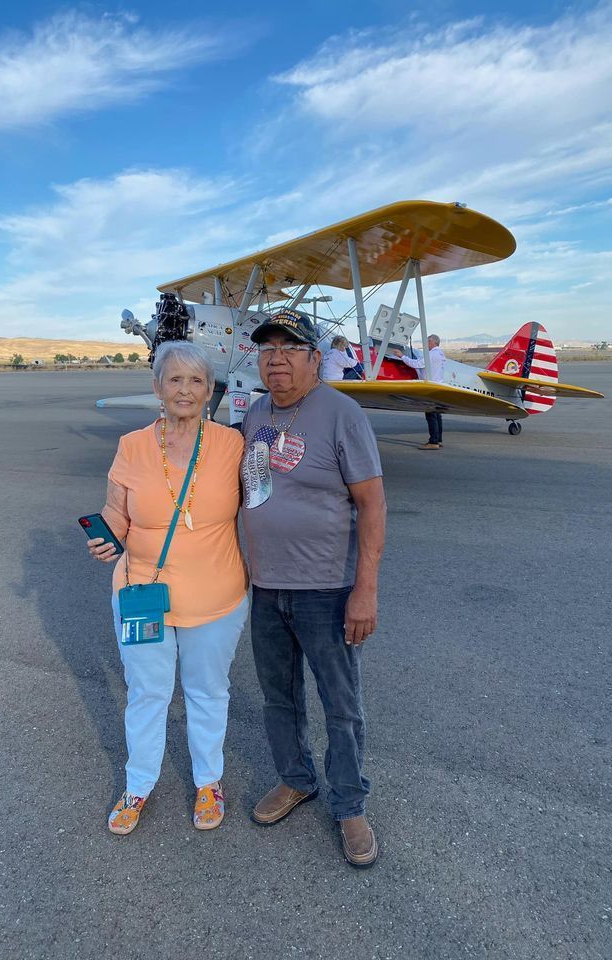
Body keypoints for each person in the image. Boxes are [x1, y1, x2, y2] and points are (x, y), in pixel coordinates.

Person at [241, 308, 387, 868]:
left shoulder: (341, 413)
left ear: (314, 358)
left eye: (289, 347)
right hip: (266, 587)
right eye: (267, 348)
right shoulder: (255, 413)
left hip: (326, 588)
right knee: (279, 697)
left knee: (340, 705)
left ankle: (350, 804)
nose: (276, 358)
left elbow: (372, 504)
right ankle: (295, 779)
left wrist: (365, 589)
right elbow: (252, 490)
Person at [87, 341, 248, 835]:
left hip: (216, 595)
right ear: (157, 388)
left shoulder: (231, 445)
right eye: (174, 379)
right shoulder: (132, 445)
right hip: (143, 592)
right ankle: (138, 786)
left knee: (207, 692)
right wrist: (106, 539)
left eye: (196, 381)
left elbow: (265, 507)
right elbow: (116, 511)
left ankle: (208, 782)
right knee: (147, 693)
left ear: (210, 392)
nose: (185, 389)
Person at [393, 334, 446, 449]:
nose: (426, 344)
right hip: (438, 386)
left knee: (431, 415)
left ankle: (433, 442)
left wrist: (402, 356)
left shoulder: (431, 354)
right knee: (437, 415)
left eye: (428, 341)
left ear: (433, 342)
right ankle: (438, 440)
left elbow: (416, 364)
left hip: (430, 387)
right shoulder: (440, 354)